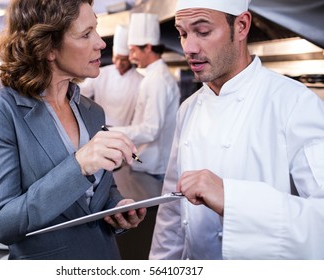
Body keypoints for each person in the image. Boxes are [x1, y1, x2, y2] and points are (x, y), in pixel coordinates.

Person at [0, 0, 146, 260]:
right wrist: (79, 165)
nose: (101, 43)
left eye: (95, 30)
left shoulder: (92, 110)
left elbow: (99, 191)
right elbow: (2, 224)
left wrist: (116, 207)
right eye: (86, 34)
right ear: (49, 47)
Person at [150, 0, 324, 260]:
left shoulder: (294, 103)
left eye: (203, 31)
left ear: (241, 26)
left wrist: (231, 199)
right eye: (183, 33)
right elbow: (172, 216)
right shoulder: (189, 108)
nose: (189, 48)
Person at [109, 13, 180, 181]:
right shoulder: (153, 76)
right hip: (147, 163)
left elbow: (150, 130)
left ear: (148, 47)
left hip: (154, 168)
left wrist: (111, 132)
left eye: (133, 51)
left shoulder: (158, 80)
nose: (131, 57)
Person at [79, 24, 143, 126]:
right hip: (99, 130)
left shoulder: (140, 81)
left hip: (125, 134)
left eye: (124, 60)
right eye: (116, 58)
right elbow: (80, 92)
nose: (119, 63)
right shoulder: (101, 73)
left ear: (130, 58)